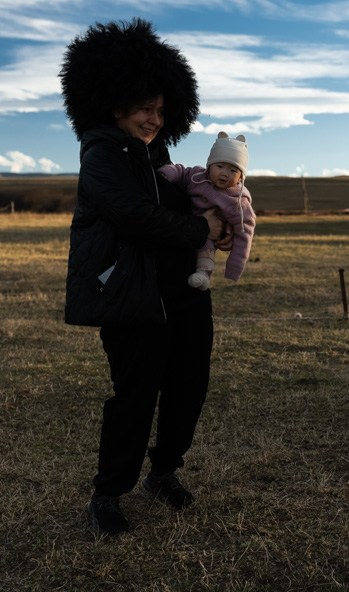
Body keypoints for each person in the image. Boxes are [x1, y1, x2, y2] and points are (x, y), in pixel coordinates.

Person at [59, 18, 230, 535]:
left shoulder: (159, 158)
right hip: (131, 296)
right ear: (115, 106)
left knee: (188, 388)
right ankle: (108, 494)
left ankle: (164, 472)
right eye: (143, 109)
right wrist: (199, 227)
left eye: (160, 110)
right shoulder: (101, 155)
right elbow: (135, 217)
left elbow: (190, 207)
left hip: (183, 294)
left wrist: (222, 222)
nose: (154, 119)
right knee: (134, 397)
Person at [158, 132, 256, 290]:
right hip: (182, 223)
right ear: (209, 166)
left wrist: (235, 266)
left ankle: (203, 275)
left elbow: (244, 233)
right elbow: (181, 171)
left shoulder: (237, 202)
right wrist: (165, 175)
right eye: (220, 166)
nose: (225, 173)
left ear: (241, 178)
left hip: (207, 235)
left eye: (233, 170)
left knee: (206, 247)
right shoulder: (197, 176)